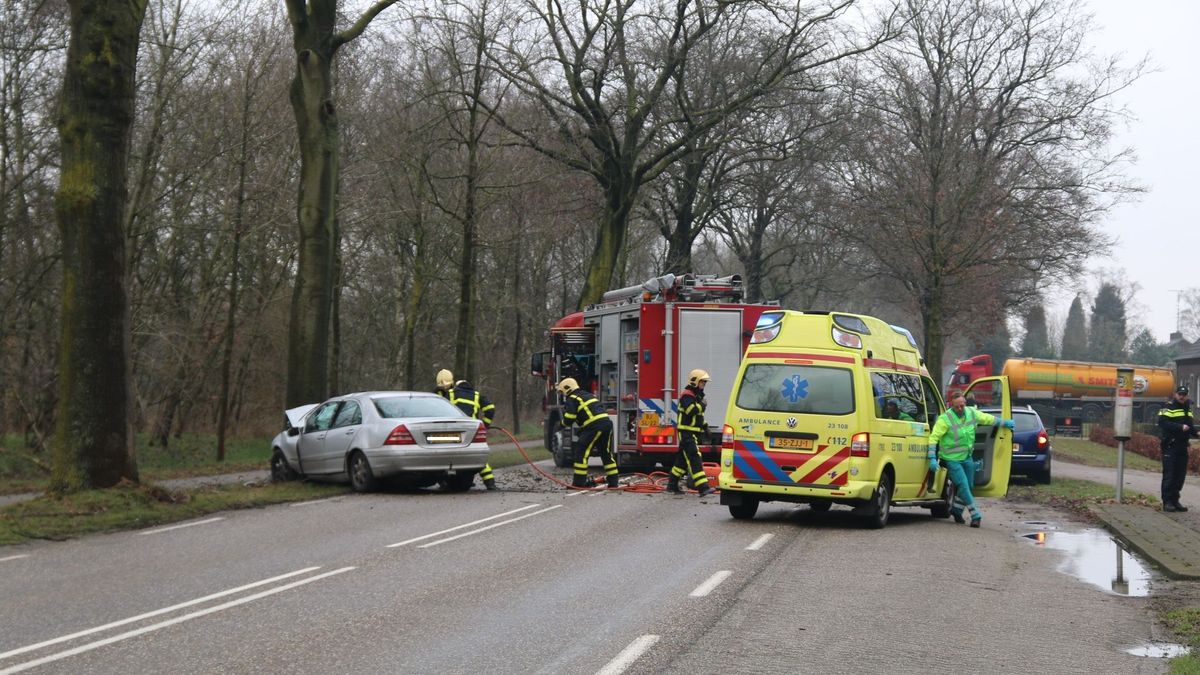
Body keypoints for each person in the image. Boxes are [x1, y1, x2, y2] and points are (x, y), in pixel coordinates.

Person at [928, 393, 1014, 527]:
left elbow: (988, 419)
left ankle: (956, 510)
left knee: (969, 486)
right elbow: (933, 438)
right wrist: (932, 457)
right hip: (951, 459)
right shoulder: (945, 419)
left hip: (967, 457)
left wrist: (1004, 423)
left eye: (962, 405)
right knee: (962, 485)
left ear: (965, 403)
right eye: (957, 407)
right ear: (951, 405)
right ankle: (975, 514)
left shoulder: (972, 413)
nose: (960, 409)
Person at [435, 369, 497, 490]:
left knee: (445, 456)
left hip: (453, 429)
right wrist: (485, 425)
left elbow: (439, 409)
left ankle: (444, 482)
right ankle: (490, 483)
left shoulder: (451, 393)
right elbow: (490, 408)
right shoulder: (476, 395)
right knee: (477, 457)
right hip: (472, 430)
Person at [557, 378, 620, 488]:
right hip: (606, 424)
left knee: (581, 451)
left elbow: (570, 418)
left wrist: (561, 425)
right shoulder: (587, 395)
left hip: (594, 426)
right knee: (606, 453)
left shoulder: (572, 398)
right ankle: (613, 483)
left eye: (562, 392)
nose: (563, 395)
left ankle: (578, 483)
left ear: (567, 389)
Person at [668, 369, 715, 497]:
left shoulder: (697, 396)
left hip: (692, 432)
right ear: (695, 381)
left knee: (682, 462)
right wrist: (702, 405)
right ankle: (703, 488)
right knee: (695, 457)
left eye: (705, 382)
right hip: (686, 432)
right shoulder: (687, 395)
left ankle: (671, 485)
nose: (704, 384)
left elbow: (698, 416)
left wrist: (706, 427)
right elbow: (691, 410)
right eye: (702, 382)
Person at [1159, 385, 1198, 512]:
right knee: (1170, 474)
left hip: (1182, 446)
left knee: (1180, 476)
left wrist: (1196, 433)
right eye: (1180, 394)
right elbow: (1162, 422)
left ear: (1187, 396)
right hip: (1170, 445)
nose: (1182, 396)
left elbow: (1190, 426)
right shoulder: (1168, 406)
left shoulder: (1188, 408)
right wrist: (1179, 427)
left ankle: (1175, 500)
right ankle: (1167, 502)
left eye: (1184, 394)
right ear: (1175, 394)